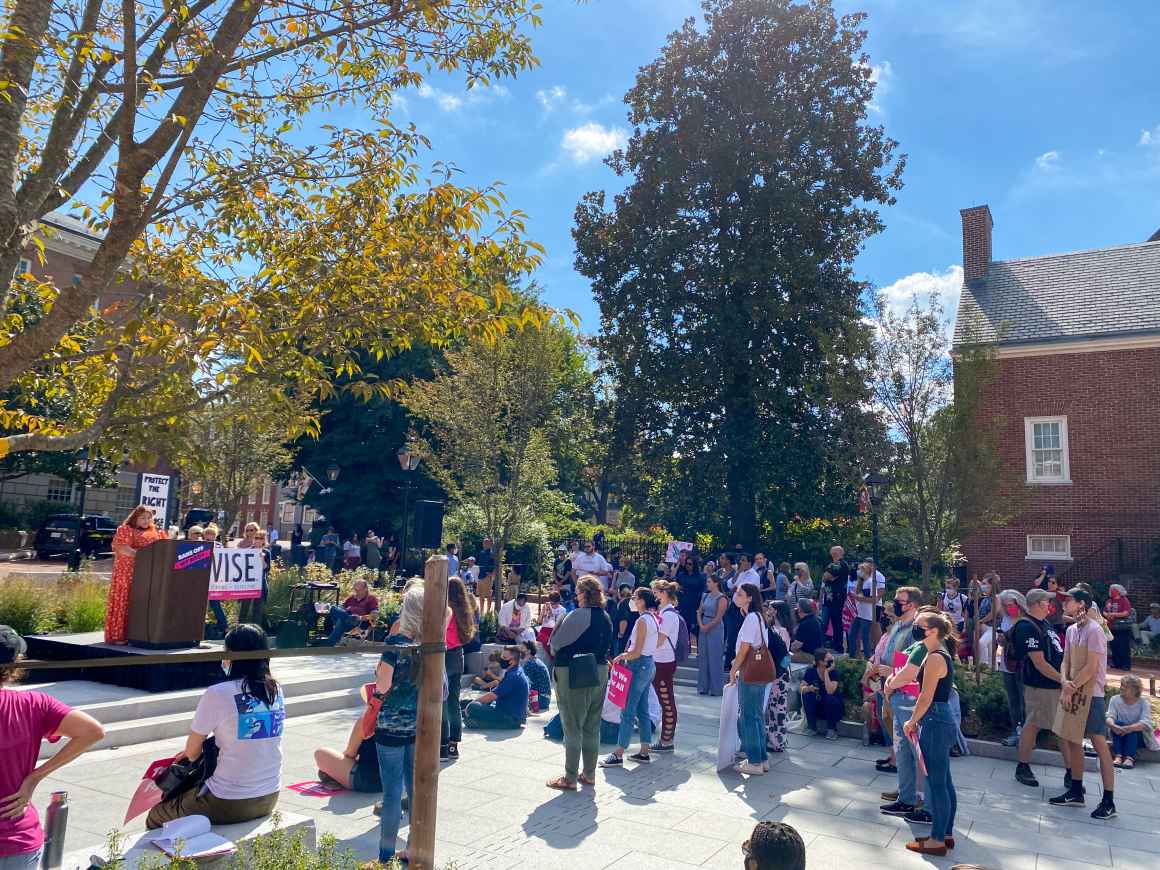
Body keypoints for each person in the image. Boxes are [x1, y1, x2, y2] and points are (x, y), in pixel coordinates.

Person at [147, 624, 284, 828]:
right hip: (269, 796)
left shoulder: (218, 693)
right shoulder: (276, 690)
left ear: (231, 655)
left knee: (156, 816)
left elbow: (192, 754)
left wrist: (191, 753)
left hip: (228, 800)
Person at [1, 626, 106, 868]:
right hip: (17, 838)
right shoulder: (34, 705)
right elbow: (93, 731)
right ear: (15, 664)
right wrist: (35, 777)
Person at [1050, 587, 1117, 819]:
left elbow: (1092, 667)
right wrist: (1064, 681)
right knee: (1071, 738)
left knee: (1099, 743)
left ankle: (1108, 800)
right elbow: (1065, 661)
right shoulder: (1070, 631)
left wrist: (1071, 685)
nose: (1063, 604)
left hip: (1092, 695)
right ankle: (1076, 790)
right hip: (1073, 691)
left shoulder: (1095, 630)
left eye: (1068, 600)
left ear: (1081, 604)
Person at [372, 580, 425, 865]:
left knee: (392, 794)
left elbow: (382, 685)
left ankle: (384, 856)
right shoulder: (429, 645)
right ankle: (414, 846)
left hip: (391, 722)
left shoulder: (396, 645)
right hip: (417, 723)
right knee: (414, 787)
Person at [546, 576, 613, 790]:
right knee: (592, 726)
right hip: (600, 671)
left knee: (572, 725)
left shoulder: (576, 615)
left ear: (584, 593)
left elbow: (554, 644)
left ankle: (570, 777)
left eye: (577, 590)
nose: (575, 594)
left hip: (573, 671)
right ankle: (589, 774)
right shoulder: (606, 616)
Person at [902, 611, 959, 856]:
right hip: (940, 717)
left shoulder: (935, 657)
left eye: (919, 625)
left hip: (935, 719)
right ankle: (945, 833)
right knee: (944, 780)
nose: (915, 628)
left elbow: (926, 696)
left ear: (933, 630)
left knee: (936, 783)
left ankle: (936, 840)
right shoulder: (938, 654)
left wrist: (912, 721)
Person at [879, 586, 929, 824]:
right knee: (901, 750)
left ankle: (921, 798)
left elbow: (915, 666)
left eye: (900, 601)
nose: (895, 604)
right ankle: (906, 797)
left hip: (908, 694)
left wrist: (892, 673)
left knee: (914, 750)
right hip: (893, 691)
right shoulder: (898, 625)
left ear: (912, 604)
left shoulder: (917, 631)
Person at [1011, 589, 1065, 789]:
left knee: (1059, 728)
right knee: (1034, 724)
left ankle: (1071, 772)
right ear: (1035, 604)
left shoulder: (1046, 624)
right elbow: (1039, 662)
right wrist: (1063, 680)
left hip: (1054, 684)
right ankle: (1023, 766)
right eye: (1046, 601)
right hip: (1040, 685)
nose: (1049, 605)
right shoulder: (1027, 626)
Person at [600, 587, 659, 768]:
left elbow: (636, 651)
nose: (632, 600)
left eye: (634, 597)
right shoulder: (652, 619)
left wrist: (620, 657)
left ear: (641, 601)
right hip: (647, 664)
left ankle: (619, 753)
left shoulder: (643, 620)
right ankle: (644, 750)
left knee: (627, 711)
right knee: (642, 709)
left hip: (639, 665)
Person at [105, 506, 167, 645]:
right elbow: (122, 548)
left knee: (143, 602)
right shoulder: (125, 529)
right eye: (143, 518)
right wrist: (143, 556)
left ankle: (140, 635)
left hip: (148, 573)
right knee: (125, 601)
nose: (146, 521)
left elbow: (165, 548)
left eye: (149, 518)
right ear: (135, 518)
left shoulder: (156, 532)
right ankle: (119, 635)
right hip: (127, 572)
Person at [728, 582, 770, 775]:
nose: (736, 596)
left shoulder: (752, 618)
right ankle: (761, 758)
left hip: (750, 671)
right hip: (759, 671)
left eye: (740, 593)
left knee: (748, 717)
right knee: (756, 716)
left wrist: (733, 669)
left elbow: (745, 649)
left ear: (749, 598)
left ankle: (754, 761)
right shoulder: (757, 617)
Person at [441, 576, 476, 761]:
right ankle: (454, 744)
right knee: (453, 700)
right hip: (458, 655)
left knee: (442, 702)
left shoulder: (446, 610)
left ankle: (443, 745)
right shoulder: (465, 610)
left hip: (445, 655)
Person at [464, 646, 529, 730]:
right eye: (501, 656)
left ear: (512, 661)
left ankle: (480, 722)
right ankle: (474, 718)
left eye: (504, 658)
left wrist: (471, 705)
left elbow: (492, 696)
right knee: (466, 703)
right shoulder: (515, 670)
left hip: (510, 718)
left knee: (472, 706)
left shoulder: (514, 675)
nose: (501, 659)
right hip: (508, 712)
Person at [650, 579, 681, 752]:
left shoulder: (669, 615)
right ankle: (666, 738)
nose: (654, 596)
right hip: (660, 661)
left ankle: (667, 740)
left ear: (664, 593)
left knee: (667, 702)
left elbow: (659, 640)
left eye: (656, 593)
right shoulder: (664, 612)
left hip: (663, 662)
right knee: (665, 700)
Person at [314, 715, 381, 793]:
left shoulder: (368, 718)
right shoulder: (397, 716)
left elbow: (350, 754)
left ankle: (336, 778)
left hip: (369, 781)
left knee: (320, 754)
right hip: (394, 781)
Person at [996, 588, 1026, 747]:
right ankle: (1016, 730)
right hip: (1007, 663)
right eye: (1005, 605)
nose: (1009, 608)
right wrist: (1001, 640)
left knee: (1024, 699)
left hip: (1022, 664)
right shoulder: (1006, 619)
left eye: (1011, 604)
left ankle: (1027, 735)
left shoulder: (1025, 619)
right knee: (1012, 699)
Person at [1107, 674, 1157, 769]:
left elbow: (1146, 723)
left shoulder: (1143, 703)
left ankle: (1129, 758)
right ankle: (1118, 756)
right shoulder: (1115, 699)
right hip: (1119, 733)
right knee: (1118, 724)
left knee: (1134, 729)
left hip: (1138, 737)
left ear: (1135, 690)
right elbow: (1109, 716)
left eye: (1125, 686)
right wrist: (1113, 726)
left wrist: (1129, 728)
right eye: (1121, 685)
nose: (1121, 688)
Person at [764, 602, 792, 753]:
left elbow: (784, 655)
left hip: (778, 674)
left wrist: (778, 672)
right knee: (776, 708)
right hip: (782, 672)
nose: (768, 611)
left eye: (771, 609)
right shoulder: (784, 630)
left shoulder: (779, 631)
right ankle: (777, 739)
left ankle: (776, 741)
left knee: (776, 709)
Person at [321, 579, 379, 646]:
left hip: (359, 622)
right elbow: (342, 608)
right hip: (348, 619)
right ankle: (349, 619)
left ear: (365, 589)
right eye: (355, 590)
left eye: (359, 590)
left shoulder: (371, 599)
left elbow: (374, 614)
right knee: (333, 608)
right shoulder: (351, 598)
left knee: (342, 621)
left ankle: (328, 644)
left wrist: (360, 618)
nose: (356, 592)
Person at [801, 649, 843, 739]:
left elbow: (830, 691)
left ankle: (831, 730)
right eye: (828, 659)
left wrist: (826, 673)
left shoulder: (833, 672)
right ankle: (812, 727)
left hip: (832, 708)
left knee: (830, 699)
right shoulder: (810, 671)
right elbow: (801, 688)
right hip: (817, 706)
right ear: (820, 662)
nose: (831, 660)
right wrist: (808, 688)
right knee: (807, 695)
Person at [697, 574, 727, 696]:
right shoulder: (705, 596)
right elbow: (699, 611)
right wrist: (701, 625)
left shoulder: (722, 598)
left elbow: (719, 617)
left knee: (715, 658)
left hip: (715, 627)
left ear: (716, 583)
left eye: (709, 582)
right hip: (703, 623)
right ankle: (703, 687)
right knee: (703, 657)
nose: (707, 584)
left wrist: (707, 627)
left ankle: (716, 689)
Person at [849, 560, 885, 659]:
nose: (858, 572)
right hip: (859, 613)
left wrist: (858, 598)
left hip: (867, 614)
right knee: (852, 634)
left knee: (865, 637)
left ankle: (867, 658)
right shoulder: (861, 582)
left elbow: (874, 599)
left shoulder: (870, 583)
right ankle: (852, 655)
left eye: (860, 570)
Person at [823, 545, 851, 653]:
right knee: (831, 623)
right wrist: (829, 577)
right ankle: (834, 645)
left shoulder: (839, 564)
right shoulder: (834, 564)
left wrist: (829, 577)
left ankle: (838, 647)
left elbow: (826, 576)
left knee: (837, 623)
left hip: (836, 598)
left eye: (834, 552)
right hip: (830, 598)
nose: (832, 554)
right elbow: (825, 576)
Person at [673, 553, 702, 643]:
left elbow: (701, 591)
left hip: (693, 604)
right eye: (686, 563)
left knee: (692, 628)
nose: (687, 566)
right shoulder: (681, 575)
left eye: (690, 564)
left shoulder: (699, 577)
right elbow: (673, 579)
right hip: (682, 603)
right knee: (681, 627)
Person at [1104, 584, 1133, 671]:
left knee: (1123, 646)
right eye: (1111, 589)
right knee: (1114, 645)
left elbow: (1126, 612)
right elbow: (1104, 611)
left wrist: (1114, 614)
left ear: (1119, 591)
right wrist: (1107, 615)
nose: (1112, 591)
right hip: (1112, 627)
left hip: (1122, 628)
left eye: (1114, 589)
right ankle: (1117, 663)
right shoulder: (1109, 601)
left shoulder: (1124, 600)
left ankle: (1125, 665)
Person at [521, 641, 551, 712]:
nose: (520, 651)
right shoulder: (535, 661)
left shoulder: (530, 664)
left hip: (540, 700)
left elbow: (524, 685)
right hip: (545, 699)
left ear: (528, 651)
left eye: (522, 648)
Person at [536, 591, 566, 656]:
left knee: (550, 647)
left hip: (554, 632)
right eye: (551, 603)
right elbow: (539, 622)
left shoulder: (562, 610)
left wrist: (551, 614)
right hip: (544, 630)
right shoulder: (546, 606)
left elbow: (557, 625)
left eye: (554, 603)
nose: (552, 605)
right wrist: (543, 612)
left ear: (558, 602)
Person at [612, 583, 639, 656]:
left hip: (624, 636)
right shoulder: (633, 602)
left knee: (619, 657)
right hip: (632, 634)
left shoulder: (623, 603)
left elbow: (624, 620)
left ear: (619, 593)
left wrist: (621, 634)